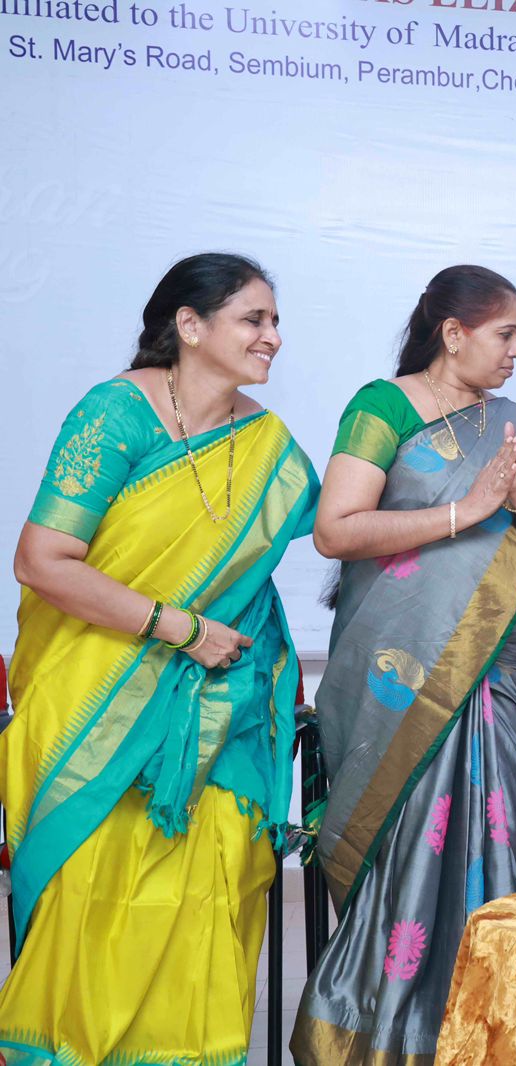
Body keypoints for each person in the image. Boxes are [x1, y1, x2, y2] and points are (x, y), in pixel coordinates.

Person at [0, 254, 319, 1064]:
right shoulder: (115, 416)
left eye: (274, 321)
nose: (273, 337)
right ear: (189, 324)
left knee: (206, 893)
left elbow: (299, 550)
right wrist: (180, 629)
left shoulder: (266, 444)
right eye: (254, 319)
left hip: (223, 704)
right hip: (94, 700)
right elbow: (43, 560)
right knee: (95, 900)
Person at [291, 265, 516, 1064]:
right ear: (453, 334)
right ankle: (379, 1032)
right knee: (398, 851)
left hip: (490, 678)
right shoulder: (382, 407)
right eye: (506, 334)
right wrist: (467, 509)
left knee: (492, 842)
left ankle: (489, 1031)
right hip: (397, 672)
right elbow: (336, 530)